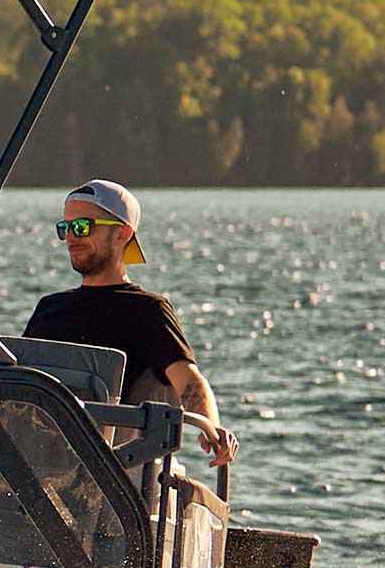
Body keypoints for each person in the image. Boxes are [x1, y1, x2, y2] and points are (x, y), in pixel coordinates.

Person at [24, 179, 233, 464]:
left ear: (123, 233)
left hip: (116, 474)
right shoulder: (49, 309)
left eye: (82, 226)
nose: (71, 237)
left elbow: (189, 381)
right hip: (41, 465)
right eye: (65, 228)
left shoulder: (148, 311)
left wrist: (212, 426)